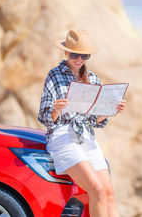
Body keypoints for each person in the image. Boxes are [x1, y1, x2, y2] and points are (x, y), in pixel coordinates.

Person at [38, 29, 125, 217]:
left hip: (86, 138)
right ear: (66, 53)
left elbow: (95, 120)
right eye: (74, 54)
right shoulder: (54, 75)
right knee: (98, 191)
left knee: (109, 194)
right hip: (63, 137)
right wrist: (56, 110)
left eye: (84, 55)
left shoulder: (92, 78)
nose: (79, 59)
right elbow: (44, 117)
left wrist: (110, 111)